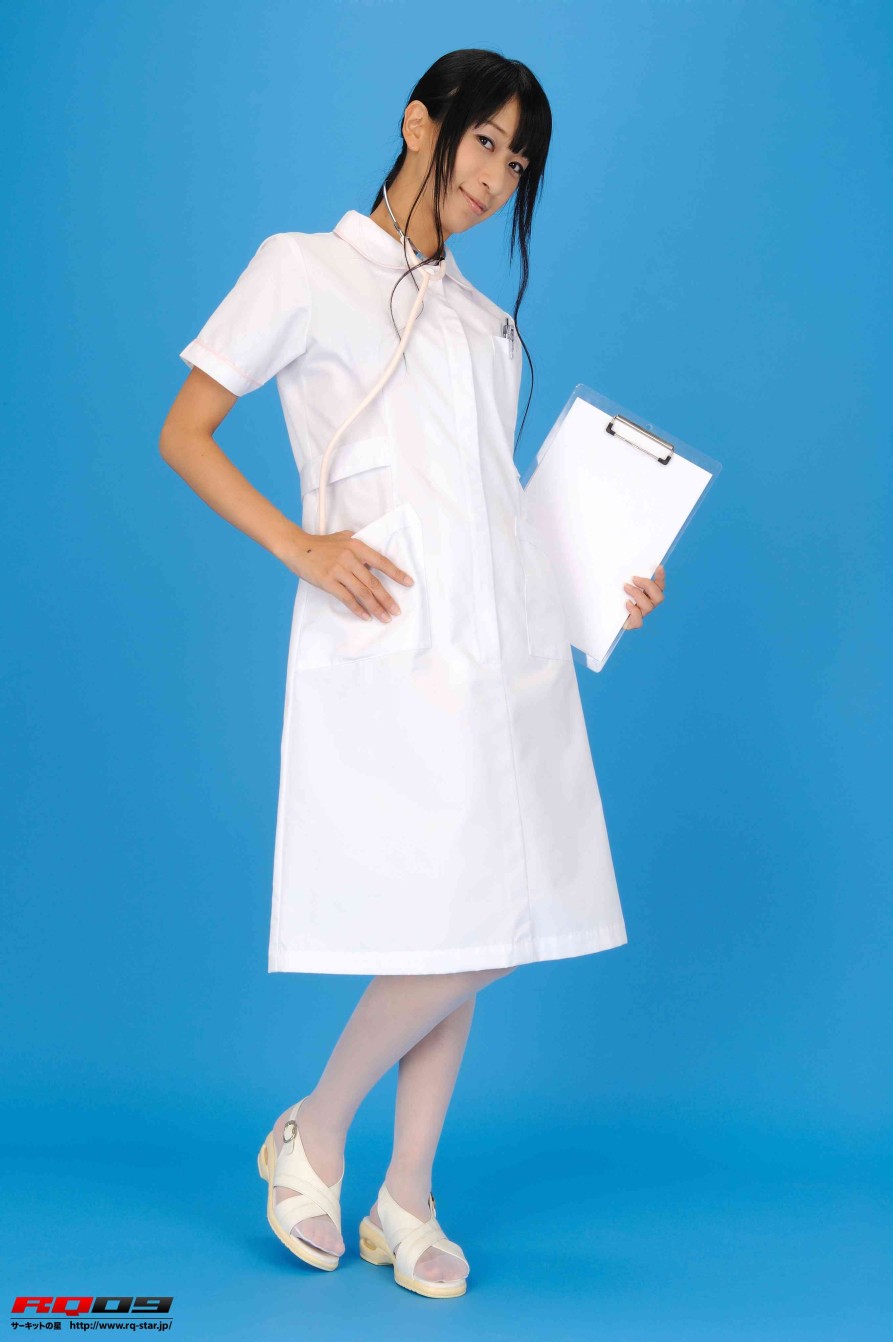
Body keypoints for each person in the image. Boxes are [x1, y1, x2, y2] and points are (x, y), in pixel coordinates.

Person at [160, 48, 666, 1300]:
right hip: (391, 643)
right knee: (459, 921)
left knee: (479, 917)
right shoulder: (303, 268)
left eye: (518, 160)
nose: (496, 176)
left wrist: (609, 579)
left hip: (506, 656)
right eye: (484, 141)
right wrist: (301, 546)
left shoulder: (485, 327)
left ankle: (406, 1193)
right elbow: (186, 431)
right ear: (418, 123)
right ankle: (318, 1126)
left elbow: (497, 515)